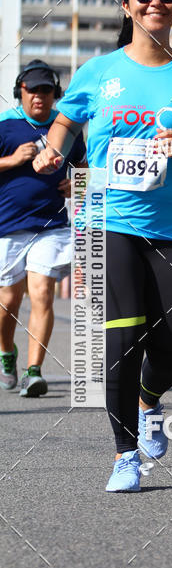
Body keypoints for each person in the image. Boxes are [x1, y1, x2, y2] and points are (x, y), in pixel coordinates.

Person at [33, 0, 172, 492]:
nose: (154, 0)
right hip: (105, 218)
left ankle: (149, 400)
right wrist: (53, 151)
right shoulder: (98, 71)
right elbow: (68, 119)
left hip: (171, 226)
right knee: (120, 339)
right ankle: (124, 455)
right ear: (126, 3)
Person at [0, 60, 86, 396]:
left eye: (46, 91)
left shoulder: (66, 129)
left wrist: (78, 183)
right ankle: (7, 352)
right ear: (20, 92)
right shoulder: (5, 128)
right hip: (7, 228)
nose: (39, 97)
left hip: (51, 227)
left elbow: (84, 168)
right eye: (32, 90)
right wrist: (12, 160)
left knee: (41, 293)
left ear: (56, 94)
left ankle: (34, 371)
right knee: (8, 301)